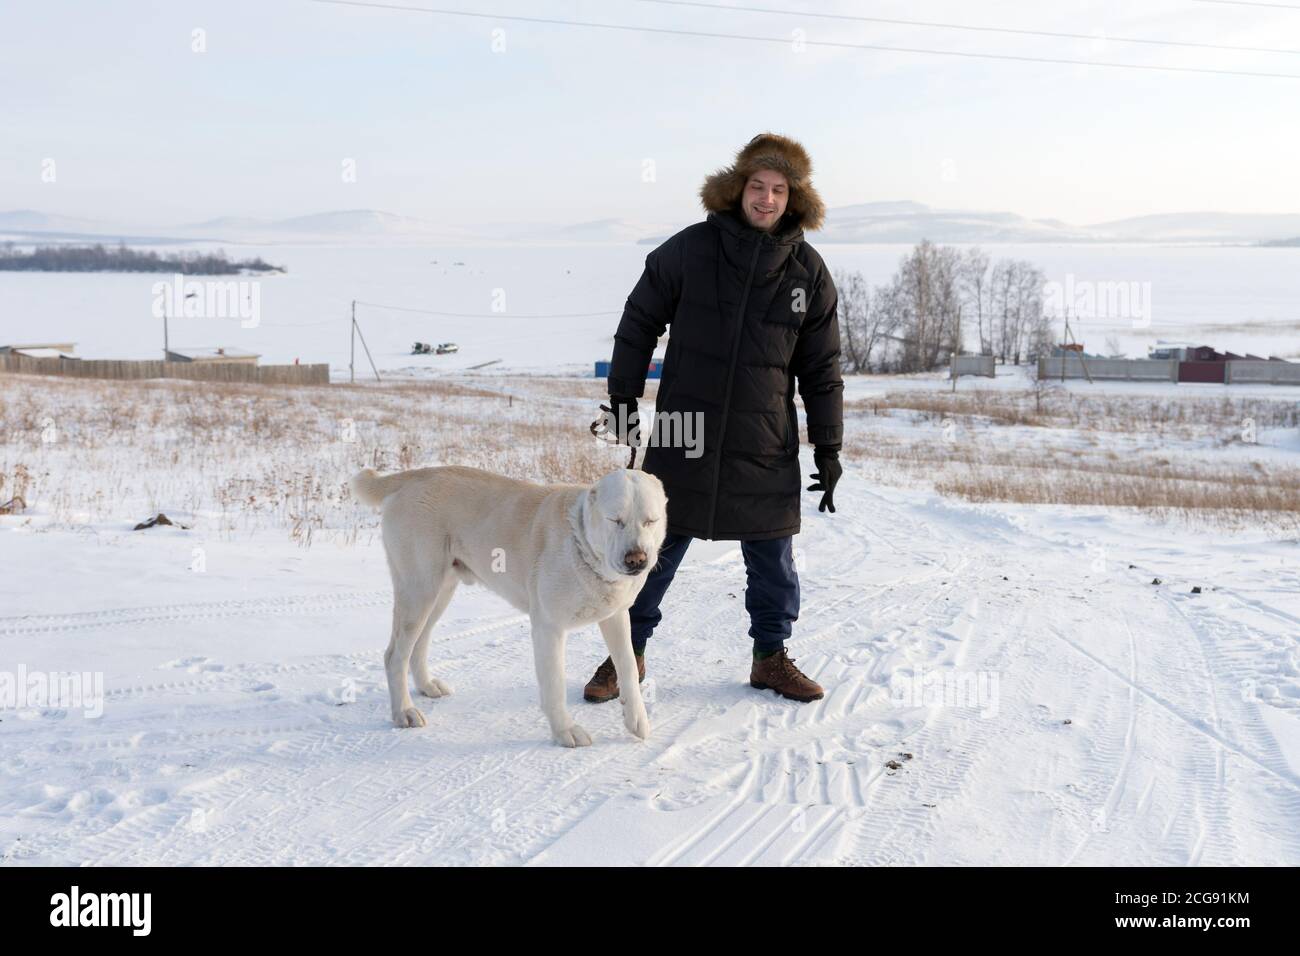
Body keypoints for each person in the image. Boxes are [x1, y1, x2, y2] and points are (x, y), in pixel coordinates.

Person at [587, 132, 844, 704]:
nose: (767, 199)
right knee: (651, 549)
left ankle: (770, 658)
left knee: (772, 559)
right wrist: (624, 404)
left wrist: (828, 447)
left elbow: (822, 368)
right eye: (757, 186)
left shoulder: (807, 272)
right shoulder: (692, 251)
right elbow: (638, 323)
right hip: (685, 432)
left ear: (793, 197)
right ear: (738, 189)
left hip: (764, 439)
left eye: (779, 190)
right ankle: (626, 657)